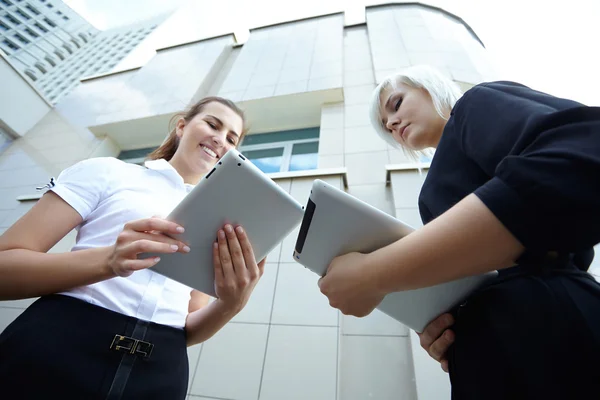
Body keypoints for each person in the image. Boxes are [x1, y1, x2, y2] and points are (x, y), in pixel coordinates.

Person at [317, 65, 600, 399]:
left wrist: (374, 273)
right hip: (483, 352)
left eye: (395, 104)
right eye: (385, 125)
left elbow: (583, 154)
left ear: (430, 87)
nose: (391, 124)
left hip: (551, 328)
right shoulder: (429, 192)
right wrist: (447, 325)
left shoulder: (475, 104)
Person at [0, 96, 265, 399]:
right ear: (181, 126)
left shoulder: (219, 222)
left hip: (159, 375)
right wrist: (108, 260)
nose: (220, 139)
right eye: (212, 124)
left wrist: (231, 304)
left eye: (232, 138)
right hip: (56, 350)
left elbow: (188, 325)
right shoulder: (109, 172)